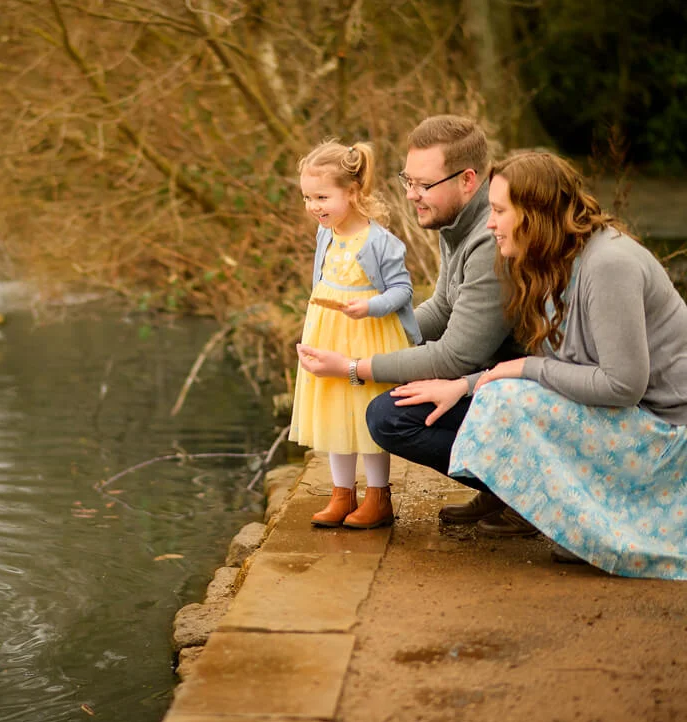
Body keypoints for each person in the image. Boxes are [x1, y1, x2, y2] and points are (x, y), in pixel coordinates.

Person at [418, 150, 687, 578]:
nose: (490, 223)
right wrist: (465, 386)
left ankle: (590, 526)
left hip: (667, 442)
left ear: (536, 213)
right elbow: (562, 369)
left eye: (500, 211)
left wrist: (521, 369)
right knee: (492, 393)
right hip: (631, 425)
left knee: (507, 398)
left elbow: (623, 385)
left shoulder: (608, 264)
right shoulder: (551, 261)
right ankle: (569, 521)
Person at [296, 115, 524, 529]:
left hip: (527, 390)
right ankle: (499, 491)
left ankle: (522, 490)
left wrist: (355, 368)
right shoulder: (453, 218)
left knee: (388, 416)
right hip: (492, 376)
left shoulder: (491, 238)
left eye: (423, 185)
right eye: (407, 180)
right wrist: (370, 335)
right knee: (392, 394)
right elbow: (442, 307)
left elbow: (456, 355)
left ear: (467, 179)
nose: (411, 195)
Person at [289, 139, 422, 530]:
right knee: (334, 410)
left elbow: (402, 291)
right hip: (330, 332)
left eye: (322, 196)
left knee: (365, 415)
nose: (314, 206)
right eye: (307, 198)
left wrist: (371, 306)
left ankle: (378, 496)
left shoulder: (380, 241)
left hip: (368, 337)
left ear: (352, 192)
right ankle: (341, 493)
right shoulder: (325, 235)